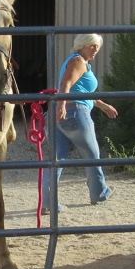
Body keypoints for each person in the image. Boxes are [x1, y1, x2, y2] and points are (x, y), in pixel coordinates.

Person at [43, 33, 118, 211]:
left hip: (57, 114)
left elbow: (80, 91)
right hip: (76, 113)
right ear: (82, 45)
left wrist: (101, 105)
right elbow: (65, 85)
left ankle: (47, 202)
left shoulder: (74, 61)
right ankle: (99, 193)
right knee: (92, 155)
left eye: (97, 47)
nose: (95, 50)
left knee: (56, 158)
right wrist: (62, 106)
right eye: (92, 45)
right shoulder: (78, 62)